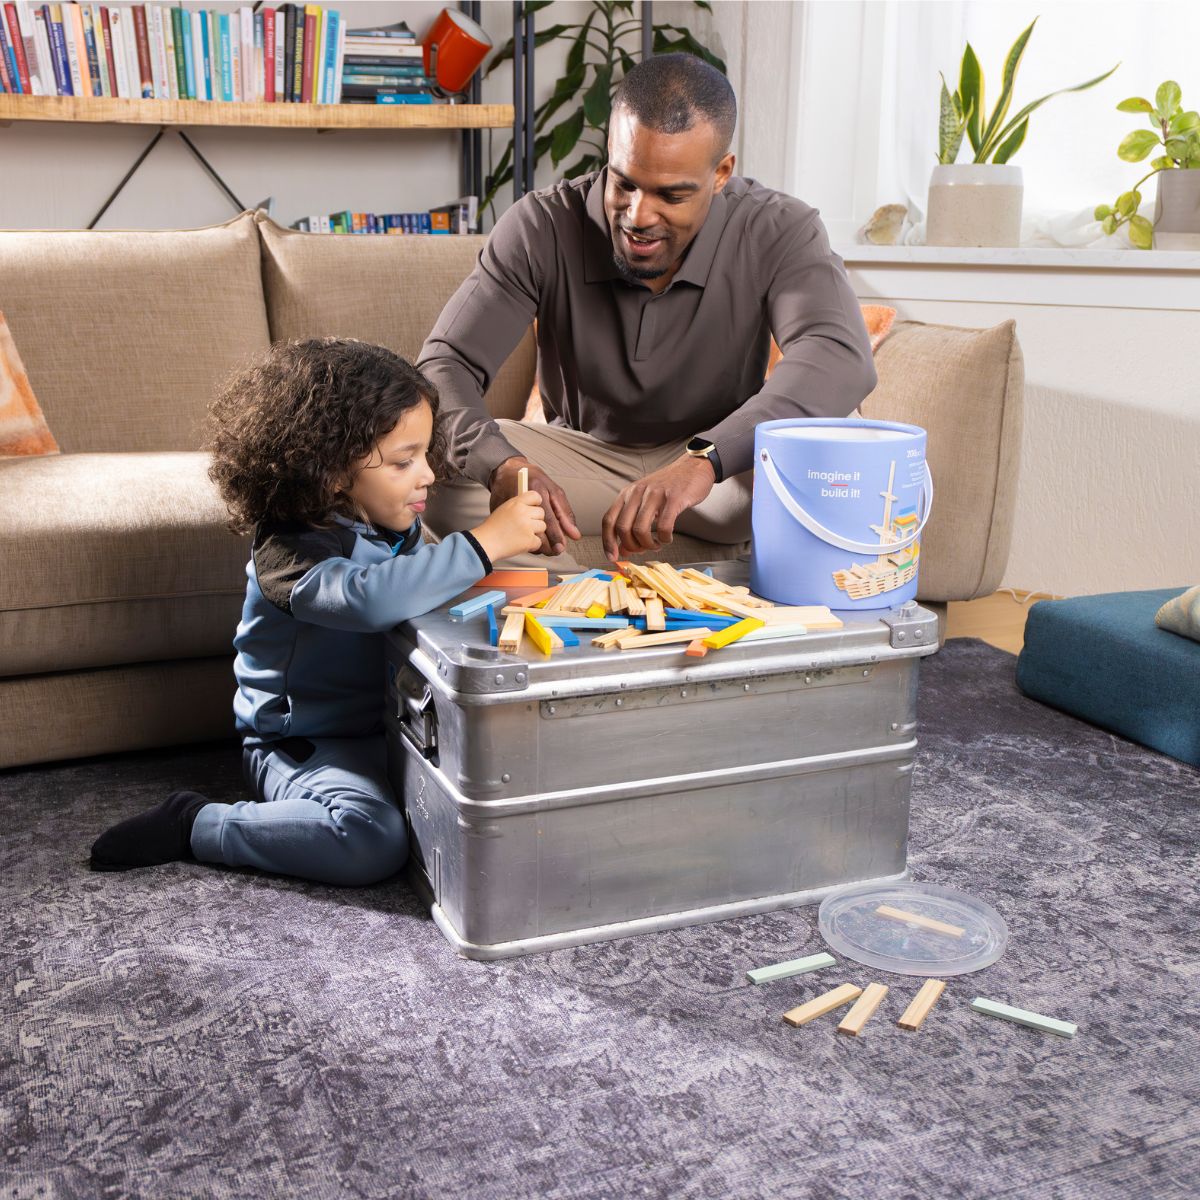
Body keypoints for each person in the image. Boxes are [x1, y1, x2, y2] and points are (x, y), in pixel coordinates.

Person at [89, 339, 545, 885]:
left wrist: (539, 590)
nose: (428, 475)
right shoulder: (289, 547)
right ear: (331, 471)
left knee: (520, 784)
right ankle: (196, 823)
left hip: (389, 731)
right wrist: (484, 541)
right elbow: (368, 600)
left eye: (425, 454)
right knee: (370, 840)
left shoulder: (394, 523)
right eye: (404, 461)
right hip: (303, 743)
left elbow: (431, 595)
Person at [418, 52, 876, 573]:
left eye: (672, 195)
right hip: (585, 460)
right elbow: (444, 364)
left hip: (723, 476)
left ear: (721, 173)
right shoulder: (540, 225)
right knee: (440, 469)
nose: (638, 216)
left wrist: (706, 459)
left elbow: (838, 355)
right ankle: (577, 606)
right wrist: (505, 467)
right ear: (610, 152)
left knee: (842, 440)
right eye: (624, 183)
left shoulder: (779, 228)